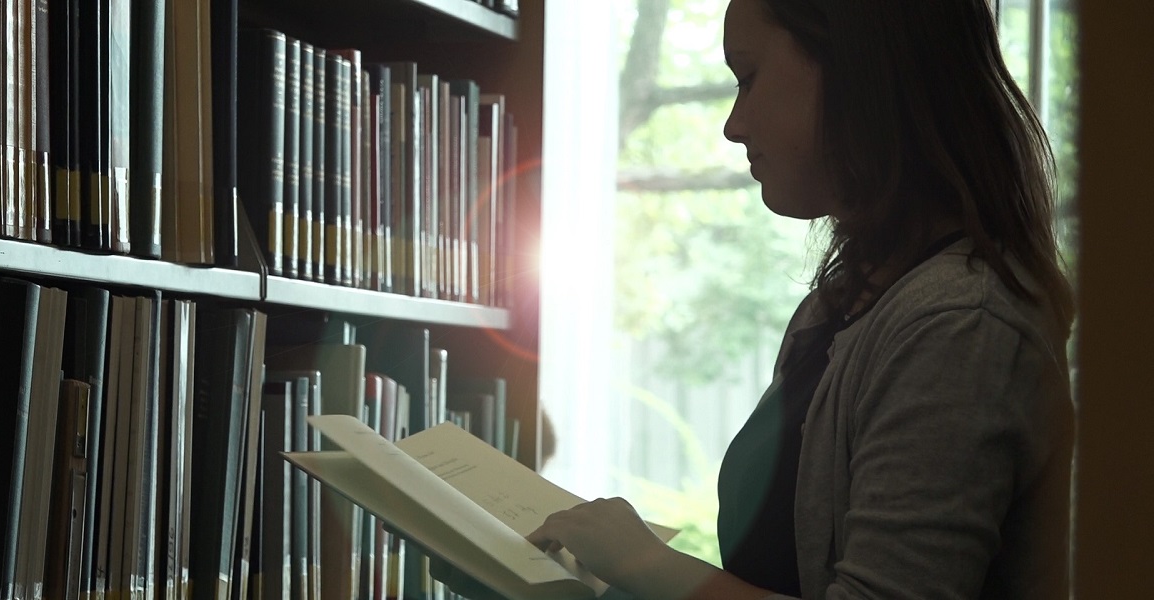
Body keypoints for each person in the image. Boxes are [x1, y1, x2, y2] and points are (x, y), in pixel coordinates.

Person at [446, 0, 1075, 598]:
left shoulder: (959, 324)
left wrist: (647, 564)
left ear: (858, 69)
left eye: (747, 78)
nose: (732, 124)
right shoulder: (842, 305)